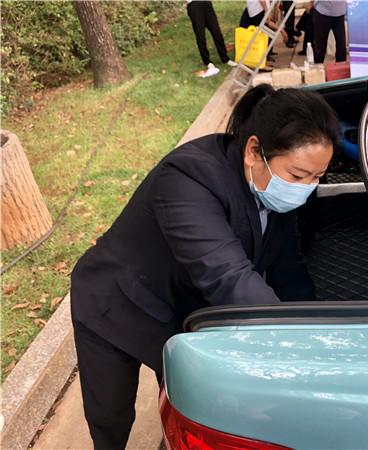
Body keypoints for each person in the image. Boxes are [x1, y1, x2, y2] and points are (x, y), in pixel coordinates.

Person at [70, 84, 340, 450]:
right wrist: (290, 347)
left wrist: (315, 331)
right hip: (118, 303)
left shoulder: (273, 188)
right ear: (254, 151)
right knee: (112, 416)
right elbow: (227, 275)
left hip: (183, 305)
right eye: (297, 175)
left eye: (317, 177)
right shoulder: (188, 178)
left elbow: (288, 267)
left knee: (184, 401)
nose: (305, 188)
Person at [186, 0, 236, 78]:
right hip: (194, 5)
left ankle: (225, 59)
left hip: (207, 3)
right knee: (200, 35)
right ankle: (207, 62)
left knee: (216, 32)